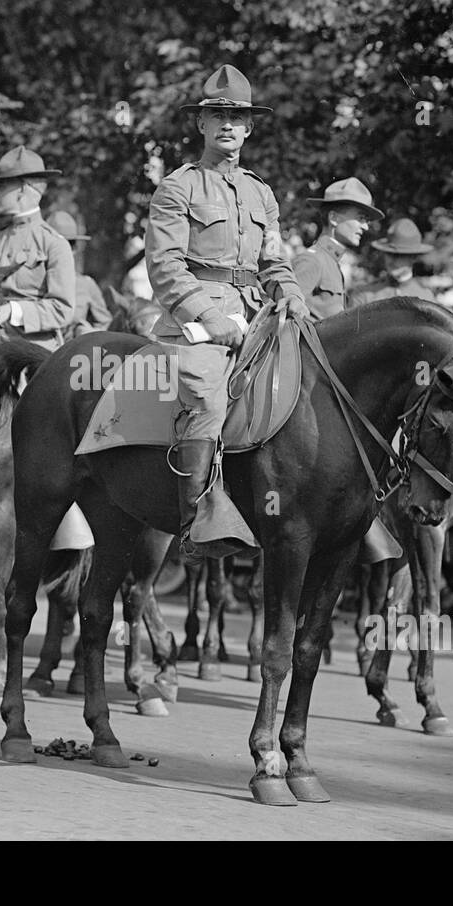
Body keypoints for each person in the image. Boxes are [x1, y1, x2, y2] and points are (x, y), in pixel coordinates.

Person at [145, 64, 308, 560]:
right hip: (195, 324)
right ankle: (195, 526)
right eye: (217, 115)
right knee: (211, 402)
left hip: (256, 315)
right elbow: (165, 265)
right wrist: (209, 317)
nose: (227, 125)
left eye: (237, 117)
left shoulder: (262, 192)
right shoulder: (179, 187)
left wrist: (293, 297)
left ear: (250, 127)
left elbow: (274, 261)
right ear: (200, 124)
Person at [0, 146, 76, 350]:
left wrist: (13, 310)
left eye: (1, 186)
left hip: (34, 355)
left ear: (22, 189)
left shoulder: (54, 244)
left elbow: (62, 309)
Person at [290, 177, 384, 321]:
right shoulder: (312, 261)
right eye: (360, 218)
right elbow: (286, 319)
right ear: (333, 218)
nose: (365, 226)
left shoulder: (332, 263)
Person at [345, 218, 440, 306]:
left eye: (400, 255)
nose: (392, 260)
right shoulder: (364, 295)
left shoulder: (426, 298)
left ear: (413, 257)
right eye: (389, 253)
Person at [47, 210, 111, 338]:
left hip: (73, 353)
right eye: (55, 247)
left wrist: (87, 332)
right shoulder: (35, 281)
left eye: (69, 245)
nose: (62, 253)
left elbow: (105, 322)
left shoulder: (86, 284)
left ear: (74, 249)